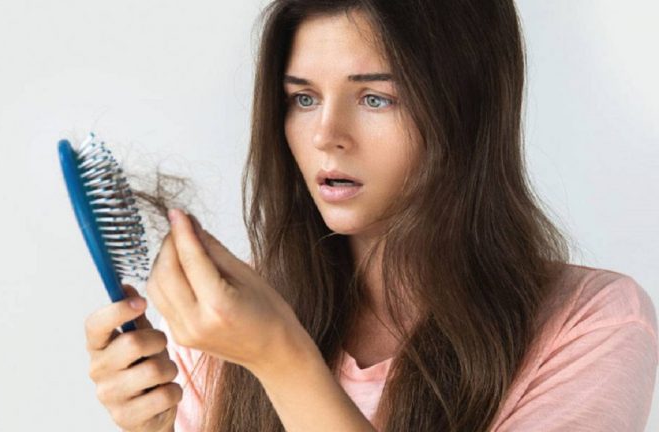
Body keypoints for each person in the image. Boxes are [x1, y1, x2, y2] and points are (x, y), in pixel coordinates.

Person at [84, 1, 659, 431]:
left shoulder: (592, 325)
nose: (326, 135)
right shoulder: (223, 331)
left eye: (375, 98)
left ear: (465, 111)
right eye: (304, 98)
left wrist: (280, 357)